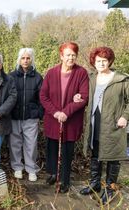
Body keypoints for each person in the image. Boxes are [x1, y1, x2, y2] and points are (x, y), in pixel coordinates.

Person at [79, 47, 129, 205]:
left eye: (104, 60)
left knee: (113, 157)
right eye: (98, 60)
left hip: (113, 124)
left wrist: (125, 116)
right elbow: (86, 96)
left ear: (110, 61)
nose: (101, 63)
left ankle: (110, 188)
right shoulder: (91, 78)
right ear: (94, 62)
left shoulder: (121, 79)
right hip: (94, 122)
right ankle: (95, 183)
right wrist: (79, 97)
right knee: (95, 151)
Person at [40, 42, 89, 193]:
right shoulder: (51, 72)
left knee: (67, 151)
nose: (71, 57)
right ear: (61, 56)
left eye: (73, 55)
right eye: (68, 54)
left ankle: (65, 180)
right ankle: (53, 174)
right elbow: (43, 95)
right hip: (53, 119)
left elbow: (84, 97)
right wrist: (55, 112)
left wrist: (66, 112)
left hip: (71, 121)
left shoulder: (81, 73)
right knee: (52, 148)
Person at [8, 48, 43, 182]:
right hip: (15, 116)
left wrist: (39, 113)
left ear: (31, 59)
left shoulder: (38, 77)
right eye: (23, 58)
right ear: (19, 59)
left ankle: (31, 169)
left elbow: (42, 97)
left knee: (31, 144)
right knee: (15, 143)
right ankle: (17, 167)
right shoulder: (11, 76)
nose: (25, 60)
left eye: (28, 58)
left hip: (31, 116)